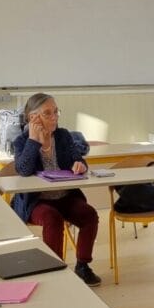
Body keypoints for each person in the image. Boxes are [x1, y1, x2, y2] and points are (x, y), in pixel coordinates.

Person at [12, 93, 101, 287]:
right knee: (52, 218)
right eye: (47, 113)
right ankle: (55, 271)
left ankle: (83, 266)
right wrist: (34, 140)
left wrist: (80, 165)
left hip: (65, 196)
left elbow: (80, 160)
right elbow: (24, 170)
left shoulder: (63, 136)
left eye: (56, 112)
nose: (54, 117)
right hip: (37, 201)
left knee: (89, 215)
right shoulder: (21, 141)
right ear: (33, 117)